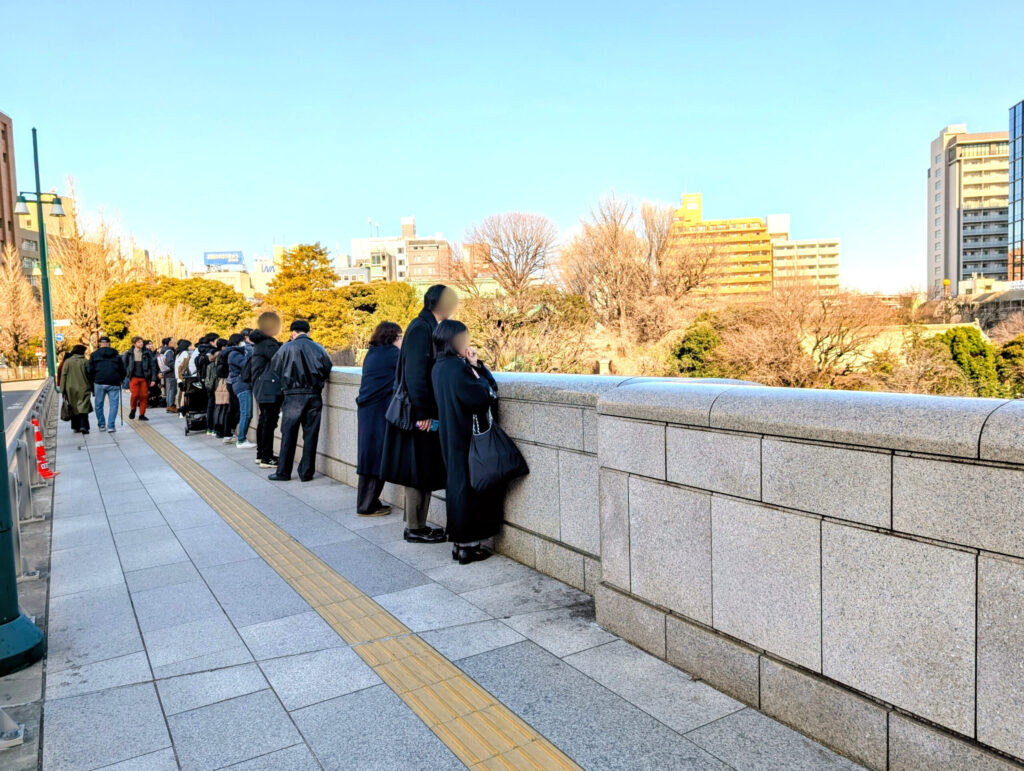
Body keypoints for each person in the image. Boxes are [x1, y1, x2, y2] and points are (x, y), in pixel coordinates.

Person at [380, 284, 458, 544]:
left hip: (421, 410)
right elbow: (415, 372)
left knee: (422, 466)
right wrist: (423, 412)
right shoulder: (421, 327)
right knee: (418, 467)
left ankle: (417, 525)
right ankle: (414, 528)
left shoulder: (426, 326)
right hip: (418, 412)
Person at [431, 320, 501, 564]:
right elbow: (482, 396)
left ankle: (460, 544)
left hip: (450, 434)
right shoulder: (457, 368)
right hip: (466, 436)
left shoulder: (439, 366)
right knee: (468, 490)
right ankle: (468, 547)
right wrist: (476, 368)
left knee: (457, 486)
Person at [268, 319, 333, 482]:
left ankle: (283, 472)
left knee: (288, 434)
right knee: (311, 434)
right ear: (309, 332)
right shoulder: (319, 348)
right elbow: (327, 367)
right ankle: (306, 472)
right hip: (314, 394)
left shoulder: (285, 348)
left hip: (293, 395)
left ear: (293, 332)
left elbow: (275, 368)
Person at [355, 321, 402, 516]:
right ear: (393, 337)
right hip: (379, 411)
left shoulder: (372, 353)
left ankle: (367, 502)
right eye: (400, 337)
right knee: (377, 456)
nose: (402, 341)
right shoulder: (393, 354)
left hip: (367, 410)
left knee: (368, 455)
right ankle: (367, 505)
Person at [248, 312, 283, 467]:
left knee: (264, 421)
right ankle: (266, 458)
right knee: (269, 422)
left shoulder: (259, 344)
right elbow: (280, 360)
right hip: (269, 388)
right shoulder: (268, 344)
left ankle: (261, 454)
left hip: (260, 387)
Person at [87, 336, 126, 432]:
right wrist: (121, 379)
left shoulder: (94, 355)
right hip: (114, 382)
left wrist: (92, 381)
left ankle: (101, 425)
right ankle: (111, 425)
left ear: (99, 344)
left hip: (99, 382)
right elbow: (123, 369)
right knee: (114, 404)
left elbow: (89, 370)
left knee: (98, 404)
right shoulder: (116, 355)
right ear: (109, 343)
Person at [227, 332, 256, 449]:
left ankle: (242, 438)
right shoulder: (234, 354)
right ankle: (241, 440)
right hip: (241, 385)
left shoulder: (234, 353)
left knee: (246, 412)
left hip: (241, 384)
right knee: (246, 413)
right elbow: (246, 364)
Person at [60, 345, 94, 434]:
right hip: (84, 387)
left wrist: (62, 389)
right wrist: (93, 388)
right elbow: (90, 376)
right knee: (84, 407)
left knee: (74, 407)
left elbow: (63, 376)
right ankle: (83, 426)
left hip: (70, 388)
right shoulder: (85, 362)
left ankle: (76, 426)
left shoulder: (67, 362)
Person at [122, 336, 157, 421]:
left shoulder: (147, 353)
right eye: (139, 342)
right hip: (133, 377)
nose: (141, 343)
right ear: (134, 344)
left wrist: (153, 379)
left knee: (144, 396)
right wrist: (126, 374)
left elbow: (153, 367)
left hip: (144, 378)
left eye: (141, 342)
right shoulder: (129, 353)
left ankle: (142, 414)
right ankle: (133, 409)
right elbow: (124, 365)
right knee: (135, 395)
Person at [172, 339, 194, 414]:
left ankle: (178, 407)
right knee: (182, 393)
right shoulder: (185, 353)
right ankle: (180, 408)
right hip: (182, 376)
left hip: (178, 376)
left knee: (179, 392)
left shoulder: (178, 354)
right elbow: (184, 365)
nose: (192, 347)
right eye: (190, 345)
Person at [158, 336, 179, 414]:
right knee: (172, 390)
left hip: (166, 373)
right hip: (171, 373)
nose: (175, 343)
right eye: (174, 342)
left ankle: (169, 405)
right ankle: (170, 406)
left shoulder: (163, 350)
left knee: (169, 390)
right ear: (169, 343)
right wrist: (177, 364)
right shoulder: (170, 351)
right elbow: (170, 363)